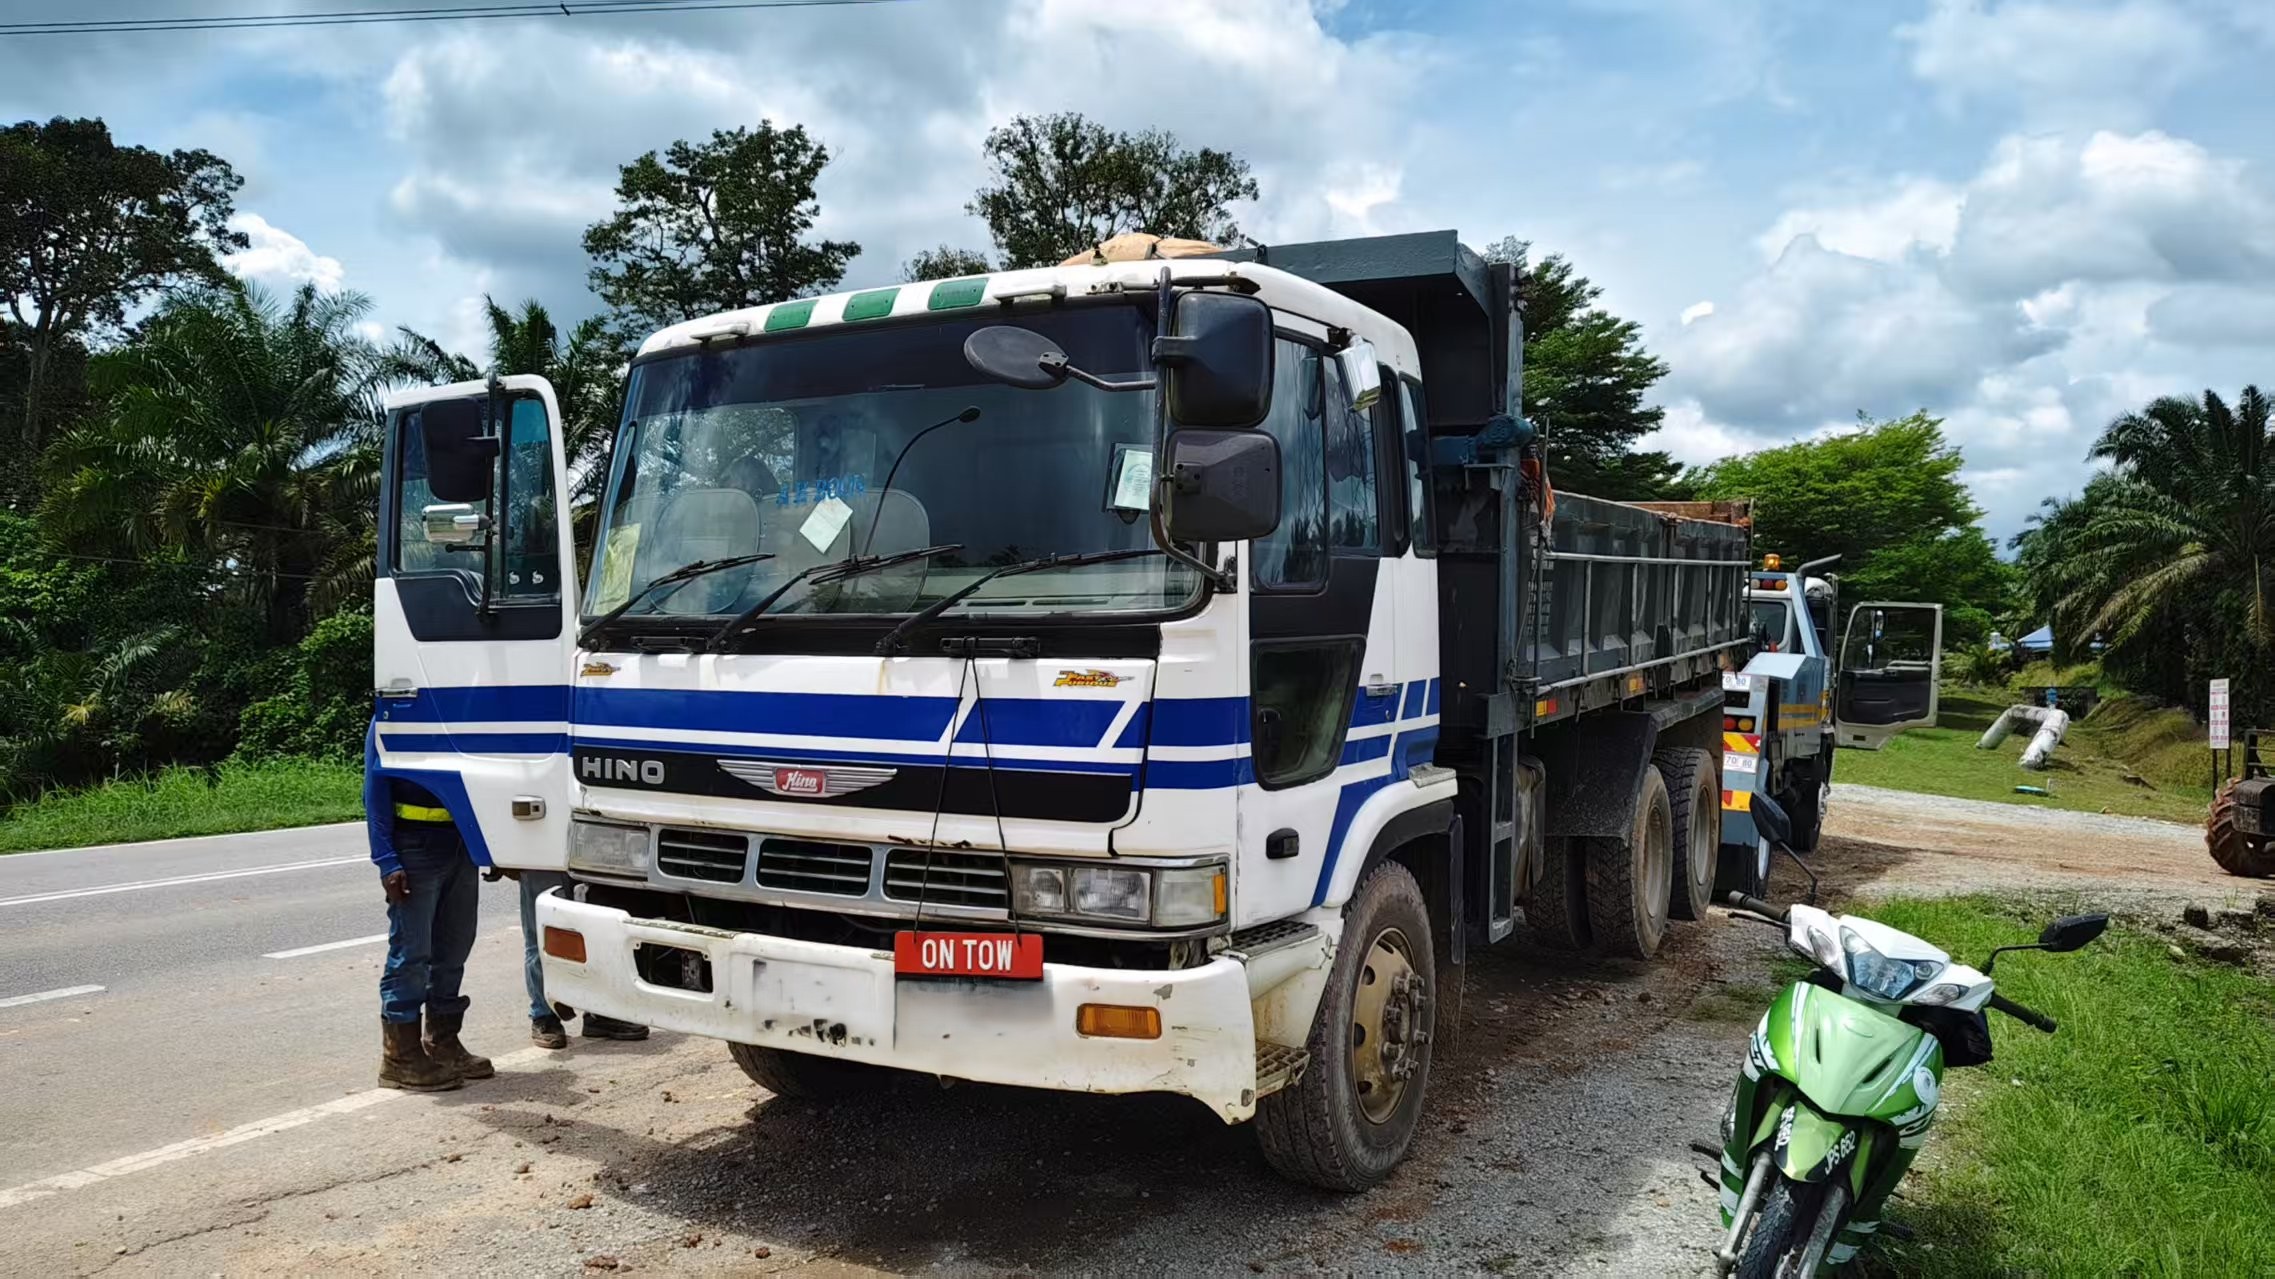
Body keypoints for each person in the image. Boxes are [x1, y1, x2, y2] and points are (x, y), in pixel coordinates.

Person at [367, 730, 491, 1091]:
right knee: (412, 953)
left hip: (462, 847)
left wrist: (496, 845)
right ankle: (399, 1058)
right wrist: (387, 860)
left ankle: (442, 1043)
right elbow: (375, 791)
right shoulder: (393, 719)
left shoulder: (459, 717)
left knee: (454, 950)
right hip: (415, 849)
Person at [520, 871, 649, 1048]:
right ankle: (544, 1017)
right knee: (540, 937)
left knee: (595, 931)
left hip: (586, 852)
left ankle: (600, 1013)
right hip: (539, 857)